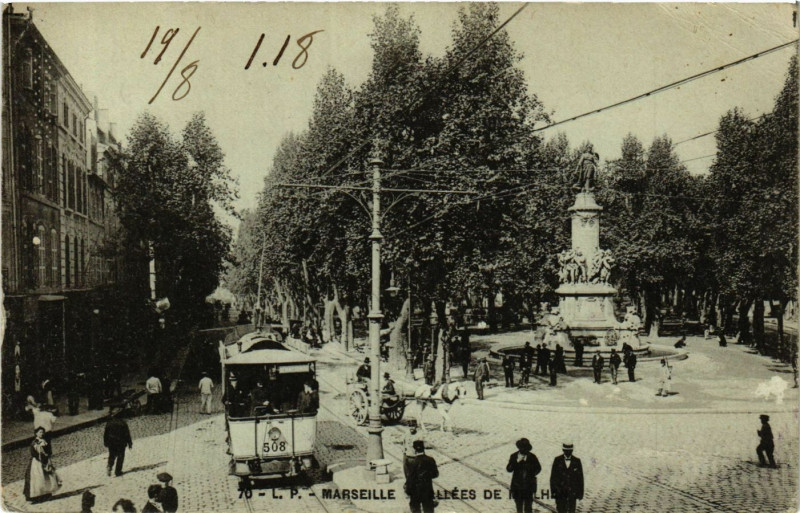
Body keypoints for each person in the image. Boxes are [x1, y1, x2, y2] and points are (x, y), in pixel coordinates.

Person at [23, 427, 61, 503]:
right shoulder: (34, 443)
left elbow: (49, 451)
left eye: (43, 432)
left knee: (47, 477)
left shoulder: (45, 441)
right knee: (37, 479)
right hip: (37, 462)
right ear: (36, 433)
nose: (42, 434)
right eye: (40, 432)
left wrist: (47, 456)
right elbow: (33, 453)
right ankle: (36, 496)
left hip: (45, 461)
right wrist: (41, 458)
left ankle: (47, 494)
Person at [506, 438, 541, 513]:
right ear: (519, 448)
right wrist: (516, 461)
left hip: (529, 487)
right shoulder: (514, 456)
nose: (524, 450)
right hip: (517, 487)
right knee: (519, 507)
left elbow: (538, 468)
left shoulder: (532, 457)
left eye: (525, 448)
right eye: (522, 448)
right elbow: (509, 469)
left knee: (528, 508)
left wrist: (531, 474)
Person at [405, 440, 439, 513]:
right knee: (429, 510)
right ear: (423, 448)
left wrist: (408, 490)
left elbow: (410, 478)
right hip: (427, 489)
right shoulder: (430, 460)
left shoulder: (412, 462)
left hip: (415, 491)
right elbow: (435, 474)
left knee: (415, 509)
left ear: (414, 449)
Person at [550, 443, 584, 513]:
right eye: (566, 451)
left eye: (570, 451)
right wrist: (553, 491)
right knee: (561, 509)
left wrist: (580, 493)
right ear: (563, 450)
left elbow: (580, 478)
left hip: (572, 492)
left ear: (572, 450)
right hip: (560, 492)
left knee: (572, 510)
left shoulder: (577, 461)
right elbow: (553, 477)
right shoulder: (557, 460)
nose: (568, 452)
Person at [104, 408, 133, 476]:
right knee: (120, 456)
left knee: (112, 455)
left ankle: (109, 465)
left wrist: (106, 442)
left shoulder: (109, 423)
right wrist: (129, 443)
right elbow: (127, 434)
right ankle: (118, 471)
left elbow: (106, 434)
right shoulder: (123, 423)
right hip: (121, 442)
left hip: (111, 442)